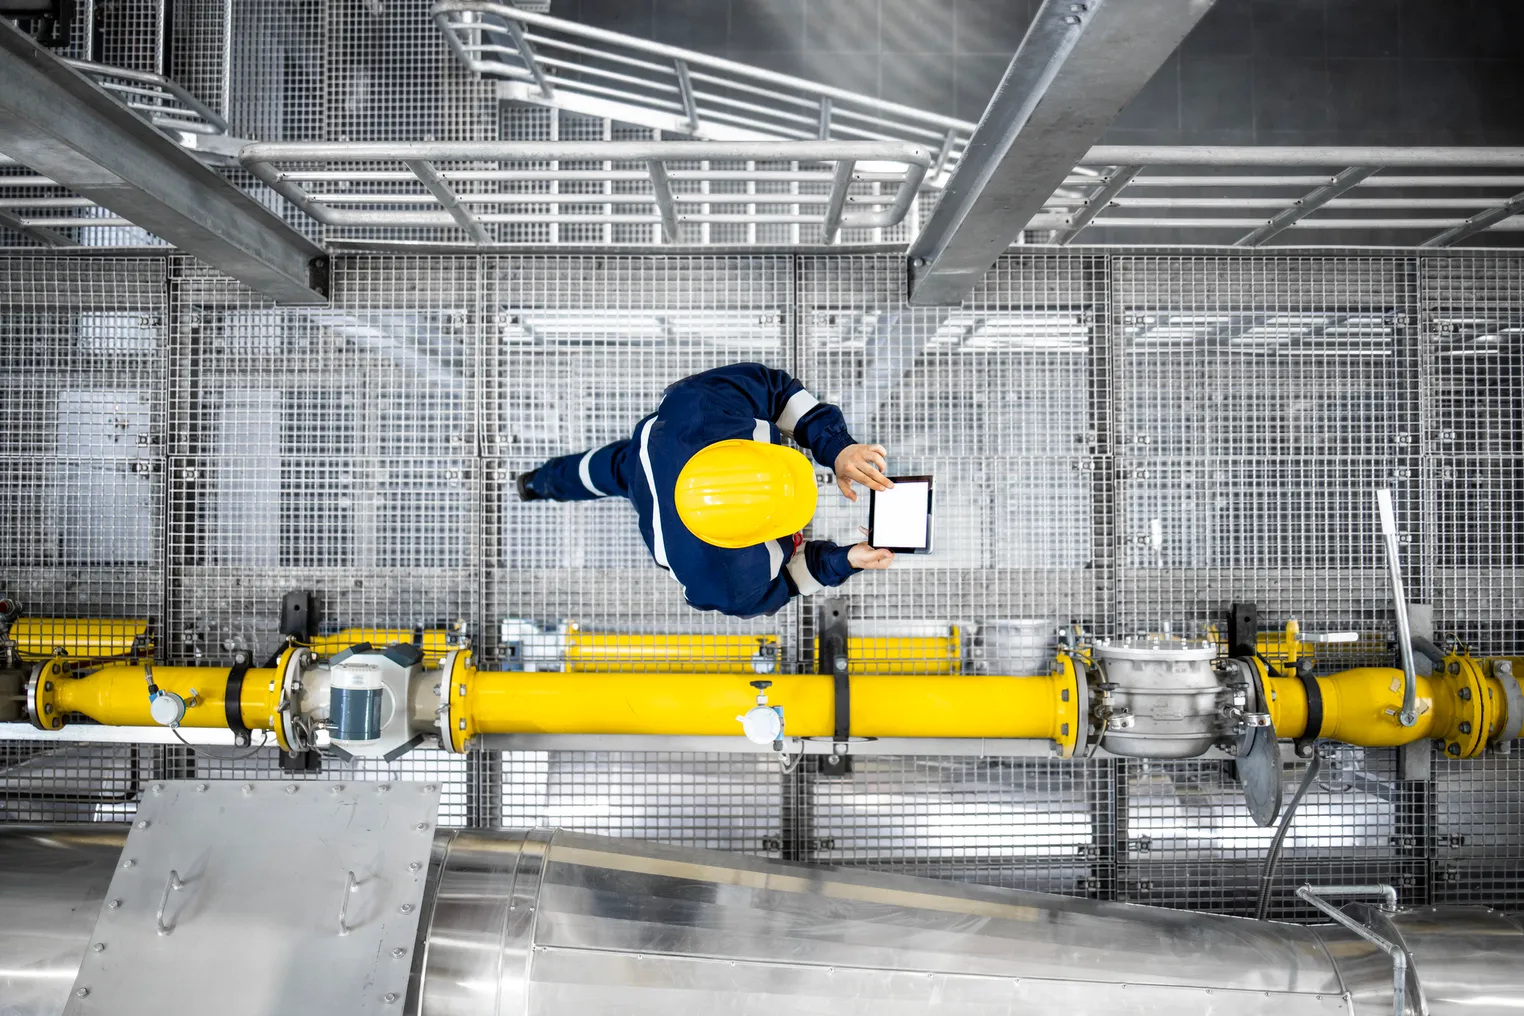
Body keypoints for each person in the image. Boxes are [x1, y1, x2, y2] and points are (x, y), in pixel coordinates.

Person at [517, 362, 896, 617]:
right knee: (610, 470)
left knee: (601, 469)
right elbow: (790, 582)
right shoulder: (727, 581)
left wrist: (839, 447)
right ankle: (537, 483)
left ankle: (538, 482)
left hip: (654, 453)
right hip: (654, 479)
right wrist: (845, 560)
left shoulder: (702, 406)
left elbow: (777, 391)